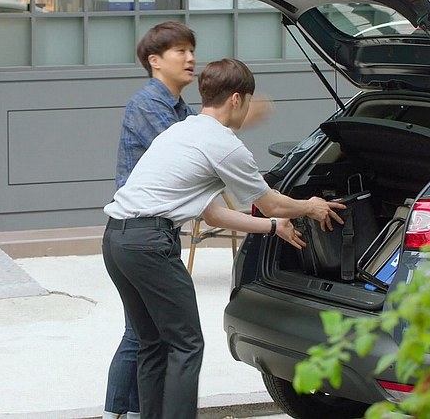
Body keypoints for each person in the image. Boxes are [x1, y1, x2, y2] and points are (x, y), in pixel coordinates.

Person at [102, 58, 346, 419]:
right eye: (247, 102)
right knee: (186, 344)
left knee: (153, 343)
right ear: (236, 99)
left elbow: (213, 214)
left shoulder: (182, 132)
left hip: (116, 241)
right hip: (149, 244)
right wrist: (310, 206)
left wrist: (273, 227)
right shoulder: (224, 145)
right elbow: (271, 202)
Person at [104, 20, 199, 419]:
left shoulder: (181, 108)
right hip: (141, 233)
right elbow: (189, 153)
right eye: (181, 51)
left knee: (146, 336)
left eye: (192, 50)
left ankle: (127, 412)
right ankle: (119, 412)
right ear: (155, 60)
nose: (191, 58)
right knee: (147, 336)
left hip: (153, 233)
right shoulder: (147, 104)